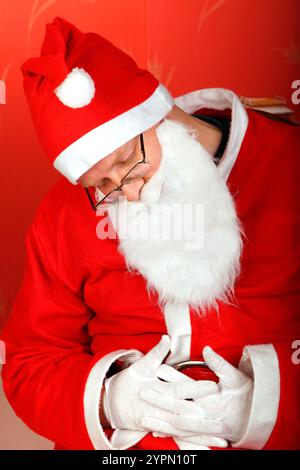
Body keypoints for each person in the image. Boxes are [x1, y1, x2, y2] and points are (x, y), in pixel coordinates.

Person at [1, 16, 300, 451]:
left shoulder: (287, 165)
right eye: (100, 184)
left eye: (126, 160)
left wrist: (267, 403)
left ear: (162, 114)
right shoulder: (62, 215)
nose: (129, 191)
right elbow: (29, 360)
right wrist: (109, 401)